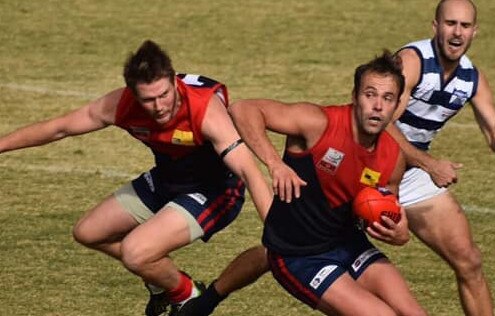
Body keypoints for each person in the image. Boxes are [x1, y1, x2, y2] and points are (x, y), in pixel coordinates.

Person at [0, 40, 272, 316]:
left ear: (174, 83)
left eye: (164, 95)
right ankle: (171, 284)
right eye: (148, 99)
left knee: (135, 252)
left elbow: (249, 172)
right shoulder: (121, 104)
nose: (159, 106)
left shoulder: (205, 111)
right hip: (168, 179)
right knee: (88, 232)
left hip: (215, 191)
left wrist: (277, 228)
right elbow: (59, 128)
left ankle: (188, 295)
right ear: (133, 93)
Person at [194, 51, 426, 315]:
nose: (377, 106)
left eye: (388, 98)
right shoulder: (319, 123)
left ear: (397, 106)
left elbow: (386, 213)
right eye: (369, 94)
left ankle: (207, 300)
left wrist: (400, 233)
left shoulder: (393, 158)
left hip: (348, 243)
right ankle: (208, 298)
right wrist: (276, 164)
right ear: (354, 97)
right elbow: (243, 109)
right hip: (300, 257)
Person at [383, 0, 495, 315]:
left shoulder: (472, 79)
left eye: (465, 26)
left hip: (413, 171)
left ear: (475, 32)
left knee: (469, 260)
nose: (457, 33)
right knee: (299, 246)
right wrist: (429, 164)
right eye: (450, 24)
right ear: (435, 26)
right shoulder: (412, 61)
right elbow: (380, 124)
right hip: (369, 164)